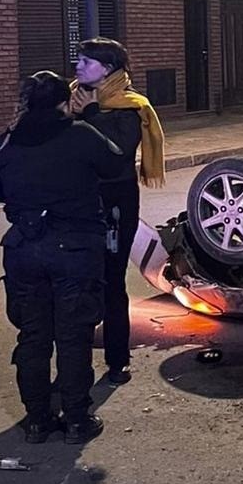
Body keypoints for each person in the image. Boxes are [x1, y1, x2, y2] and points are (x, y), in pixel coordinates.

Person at [0, 71, 126, 443]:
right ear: (64, 102)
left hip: (23, 250)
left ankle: (37, 420)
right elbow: (116, 164)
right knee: (73, 335)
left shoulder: (7, 142)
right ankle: (77, 420)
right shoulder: (79, 134)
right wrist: (91, 115)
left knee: (32, 336)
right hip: (75, 249)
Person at [70, 38, 165, 385]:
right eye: (78, 59)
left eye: (86, 61)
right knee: (78, 282)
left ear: (108, 69)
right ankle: (73, 363)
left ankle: (117, 359)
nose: (78, 66)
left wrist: (91, 114)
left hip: (115, 202)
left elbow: (118, 153)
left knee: (111, 280)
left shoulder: (128, 106)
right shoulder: (73, 100)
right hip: (78, 201)